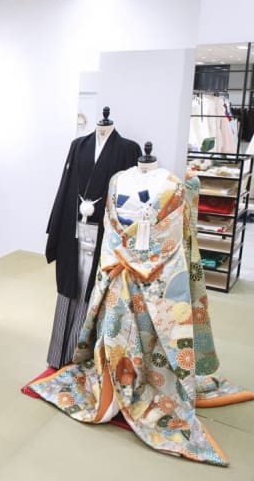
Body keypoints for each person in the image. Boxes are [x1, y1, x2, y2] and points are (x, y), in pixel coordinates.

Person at [30, 158, 254, 466]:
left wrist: (136, 261)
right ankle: (111, 387)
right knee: (112, 331)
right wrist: (120, 261)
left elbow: (172, 237)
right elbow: (111, 230)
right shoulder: (117, 180)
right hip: (117, 272)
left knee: (156, 341)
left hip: (154, 276)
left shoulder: (172, 184)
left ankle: (151, 385)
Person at [44, 111, 141, 369]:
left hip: (105, 231)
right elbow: (65, 186)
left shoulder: (128, 149)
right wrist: (55, 227)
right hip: (74, 228)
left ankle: (81, 360)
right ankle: (58, 354)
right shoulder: (78, 145)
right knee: (70, 282)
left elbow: (130, 199)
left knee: (95, 288)